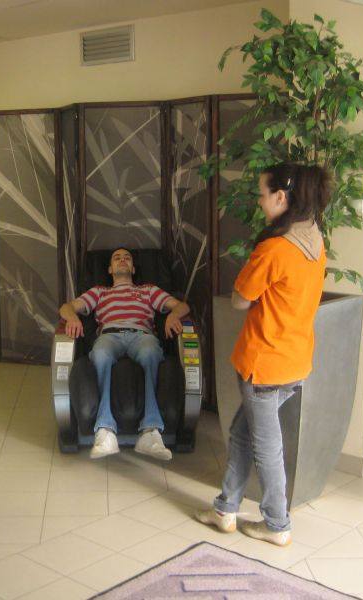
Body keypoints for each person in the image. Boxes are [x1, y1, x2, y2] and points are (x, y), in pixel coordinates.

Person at [196, 163, 329, 546]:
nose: (259, 201)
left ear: (281, 197)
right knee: (242, 434)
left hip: (264, 365)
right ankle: (225, 509)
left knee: (266, 447)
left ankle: (276, 524)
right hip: (295, 360)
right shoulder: (315, 239)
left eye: (262, 194)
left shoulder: (275, 248)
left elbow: (240, 299)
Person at [59, 247, 190, 460]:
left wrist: (173, 315)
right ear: (110, 269)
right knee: (100, 354)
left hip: (141, 335)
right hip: (109, 335)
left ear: (133, 268)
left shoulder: (148, 290)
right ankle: (105, 430)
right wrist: (72, 317)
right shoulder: (100, 292)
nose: (122, 260)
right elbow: (66, 307)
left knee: (150, 352)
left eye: (127, 258)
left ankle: (150, 431)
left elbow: (182, 306)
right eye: (117, 258)